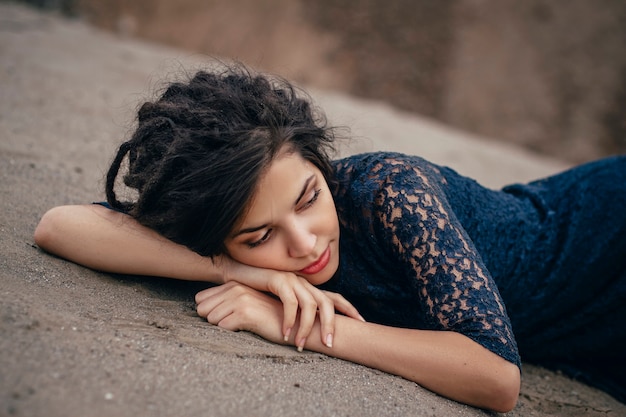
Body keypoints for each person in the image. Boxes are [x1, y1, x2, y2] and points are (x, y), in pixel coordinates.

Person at [33, 64, 626, 412]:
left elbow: (496, 375)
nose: (303, 244)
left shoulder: (393, 194)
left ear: (320, 165)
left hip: (605, 237)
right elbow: (59, 225)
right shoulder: (223, 231)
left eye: (309, 197)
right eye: (260, 235)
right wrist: (235, 272)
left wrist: (302, 327)